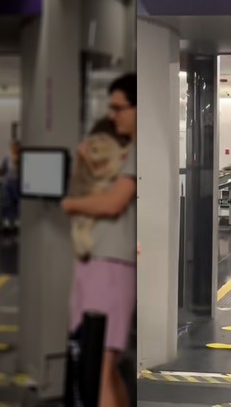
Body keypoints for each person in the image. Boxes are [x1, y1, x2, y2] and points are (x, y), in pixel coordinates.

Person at [61, 73, 137, 407]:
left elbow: (112, 203)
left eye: (119, 108)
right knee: (106, 368)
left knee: (99, 368)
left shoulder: (138, 151)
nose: (113, 115)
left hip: (110, 267)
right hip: (98, 263)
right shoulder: (129, 152)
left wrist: (68, 204)